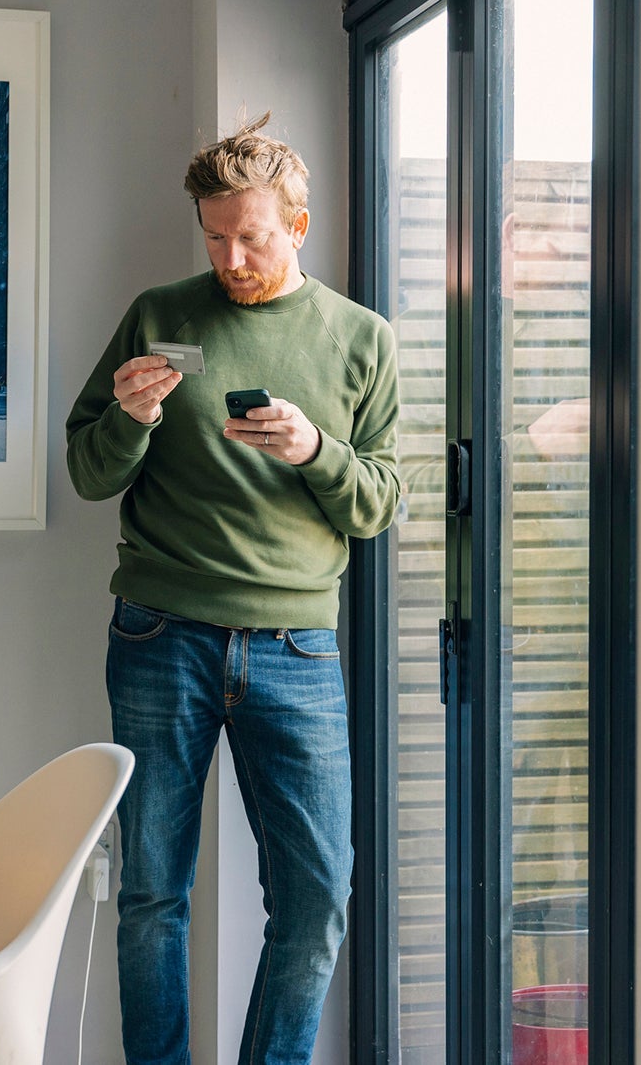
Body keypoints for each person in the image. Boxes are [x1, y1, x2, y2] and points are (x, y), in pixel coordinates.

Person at [66, 113, 400, 1065]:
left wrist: (314, 451)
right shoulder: (159, 312)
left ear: (297, 226)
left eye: (251, 235)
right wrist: (129, 419)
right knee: (152, 891)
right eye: (214, 235)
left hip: (296, 646)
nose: (231, 256)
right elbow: (89, 472)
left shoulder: (361, 340)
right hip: (158, 633)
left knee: (318, 894)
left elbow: (380, 503)